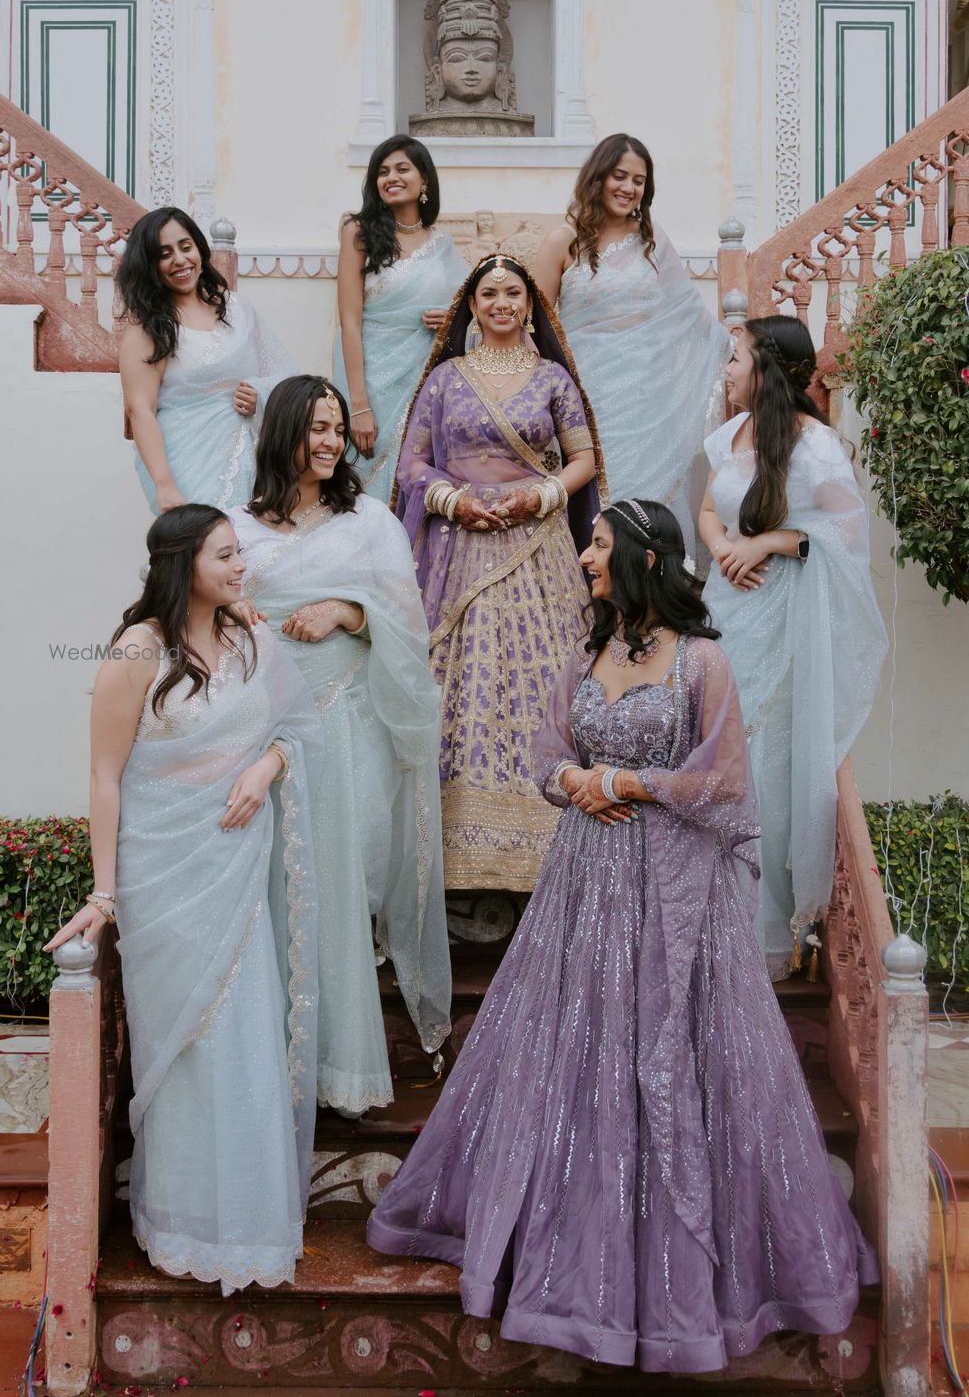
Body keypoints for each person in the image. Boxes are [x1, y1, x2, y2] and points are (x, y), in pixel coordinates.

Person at [367, 498, 878, 1372]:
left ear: (645, 557)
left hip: (680, 897)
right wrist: (575, 776)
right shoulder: (584, 656)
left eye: (598, 545)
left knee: (681, 1057)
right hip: (583, 894)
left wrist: (628, 783)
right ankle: (568, 1261)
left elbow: (723, 781)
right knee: (578, 1056)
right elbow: (543, 757)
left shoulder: (703, 663)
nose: (585, 560)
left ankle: (688, 1287)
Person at [43, 505, 322, 1294]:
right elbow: (105, 775)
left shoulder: (251, 639)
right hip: (163, 871)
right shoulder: (137, 651)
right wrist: (105, 894)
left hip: (235, 861)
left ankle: (250, 1227)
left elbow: (297, 728)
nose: (242, 568)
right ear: (182, 564)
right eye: (226, 556)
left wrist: (265, 768)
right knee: (187, 1049)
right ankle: (182, 1220)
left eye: (240, 555)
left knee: (242, 1035)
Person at [233, 375, 451, 1116]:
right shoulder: (239, 525)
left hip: (346, 724)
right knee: (267, 892)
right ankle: (265, 1066)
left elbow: (406, 619)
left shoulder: (368, 522)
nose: (329, 442)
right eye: (315, 428)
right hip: (259, 732)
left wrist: (346, 610)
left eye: (335, 428)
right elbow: (208, 608)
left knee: (333, 889)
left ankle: (335, 1068)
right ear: (283, 433)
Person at [392, 252, 607, 892]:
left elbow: (583, 459)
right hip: (456, 550)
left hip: (537, 548)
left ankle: (551, 854)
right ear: (472, 305)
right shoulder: (445, 379)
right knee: (459, 683)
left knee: (546, 680)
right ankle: (453, 867)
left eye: (514, 292)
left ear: (531, 304)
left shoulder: (552, 380)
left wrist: (534, 498)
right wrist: (453, 500)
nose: (502, 304)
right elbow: (412, 465)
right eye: (489, 294)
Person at [699, 315, 888, 977]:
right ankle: (702, 913)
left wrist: (770, 541)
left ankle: (757, 935)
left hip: (783, 616)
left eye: (735, 358)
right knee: (712, 750)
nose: (725, 370)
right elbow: (707, 509)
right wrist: (725, 546)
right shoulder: (731, 433)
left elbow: (843, 533)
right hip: (725, 609)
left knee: (762, 766)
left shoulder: (817, 447)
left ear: (766, 368)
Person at [534, 134, 730, 563]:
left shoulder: (652, 238)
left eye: (639, 181)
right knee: (599, 496)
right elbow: (539, 331)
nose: (628, 188)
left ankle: (649, 610)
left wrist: (736, 350)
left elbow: (688, 314)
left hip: (647, 395)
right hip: (588, 394)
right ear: (598, 177)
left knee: (647, 500)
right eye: (619, 176)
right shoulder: (562, 241)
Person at [118, 206, 296, 514]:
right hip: (186, 462)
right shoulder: (148, 328)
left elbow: (286, 377)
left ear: (200, 249)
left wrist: (259, 395)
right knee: (202, 550)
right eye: (164, 254)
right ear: (150, 265)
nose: (179, 260)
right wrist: (164, 484)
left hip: (253, 458)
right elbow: (140, 410)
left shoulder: (237, 308)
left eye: (185, 247)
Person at [333, 135, 467, 501]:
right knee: (368, 477)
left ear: (424, 179)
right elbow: (348, 322)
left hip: (426, 376)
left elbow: (474, 307)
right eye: (382, 171)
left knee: (423, 475)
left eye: (402, 168)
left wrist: (454, 320)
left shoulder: (442, 244)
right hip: (374, 379)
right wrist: (358, 406)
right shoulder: (357, 232)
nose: (390, 177)